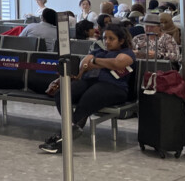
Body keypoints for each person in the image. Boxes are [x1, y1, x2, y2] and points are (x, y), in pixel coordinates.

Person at [40, 24, 136, 153]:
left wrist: (96, 62)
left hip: (115, 88)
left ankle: (62, 140)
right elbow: (84, 63)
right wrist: (95, 61)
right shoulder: (100, 51)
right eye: (105, 38)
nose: (107, 42)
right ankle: (72, 127)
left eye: (111, 38)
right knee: (62, 93)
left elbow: (117, 63)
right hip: (91, 82)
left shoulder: (127, 53)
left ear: (121, 41)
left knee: (87, 99)